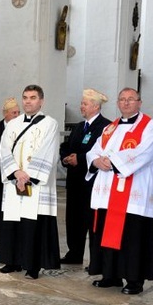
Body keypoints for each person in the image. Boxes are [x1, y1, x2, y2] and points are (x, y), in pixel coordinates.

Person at [86, 88, 153, 295]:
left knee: (132, 238)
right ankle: (111, 275)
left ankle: (135, 280)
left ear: (139, 102)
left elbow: (143, 153)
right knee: (106, 233)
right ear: (117, 103)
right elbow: (94, 150)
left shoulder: (151, 127)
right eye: (122, 100)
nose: (126, 103)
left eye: (131, 99)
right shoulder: (110, 128)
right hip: (108, 192)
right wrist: (96, 161)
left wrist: (113, 161)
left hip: (134, 192)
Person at [0, 85, 60, 279]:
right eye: (25, 97)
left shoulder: (50, 124)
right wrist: (15, 172)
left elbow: (48, 150)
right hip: (14, 180)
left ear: (41, 101)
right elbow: (4, 148)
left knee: (33, 223)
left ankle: (33, 265)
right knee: (12, 220)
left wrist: (28, 176)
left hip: (35, 183)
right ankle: (12, 260)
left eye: (32, 97)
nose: (28, 101)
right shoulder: (13, 124)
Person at [59, 88, 110, 265]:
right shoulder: (80, 126)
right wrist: (65, 157)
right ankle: (74, 253)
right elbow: (66, 145)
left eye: (85, 104)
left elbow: (101, 152)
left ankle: (96, 260)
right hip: (74, 182)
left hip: (93, 183)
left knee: (93, 222)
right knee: (73, 219)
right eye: (82, 103)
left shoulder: (105, 127)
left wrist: (79, 159)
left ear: (96, 106)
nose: (81, 106)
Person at [0, 97, 20, 250]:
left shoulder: (22, 127)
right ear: (5, 113)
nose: (17, 115)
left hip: (17, 176)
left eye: (18, 112)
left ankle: (15, 238)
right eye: (14, 112)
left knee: (16, 208)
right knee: (1, 208)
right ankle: (1, 239)